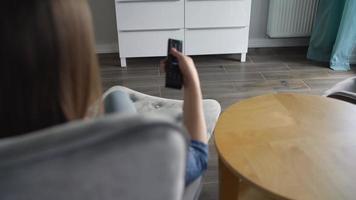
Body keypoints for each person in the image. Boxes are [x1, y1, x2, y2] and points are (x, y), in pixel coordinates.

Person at [0, 0, 208, 186]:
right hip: (125, 151)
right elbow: (197, 156)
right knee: (117, 98)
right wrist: (192, 83)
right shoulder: (135, 160)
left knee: (117, 97)